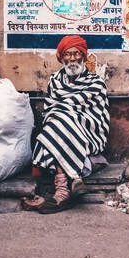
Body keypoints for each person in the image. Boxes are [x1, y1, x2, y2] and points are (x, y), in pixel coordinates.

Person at [32, 35, 109, 214]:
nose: (73, 58)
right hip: (60, 130)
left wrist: (64, 114)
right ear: (62, 57)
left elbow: (95, 115)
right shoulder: (55, 81)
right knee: (56, 122)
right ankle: (75, 178)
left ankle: (61, 191)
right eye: (68, 54)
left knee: (58, 121)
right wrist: (62, 114)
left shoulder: (95, 82)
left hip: (88, 131)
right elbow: (49, 110)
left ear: (83, 56)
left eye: (76, 54)